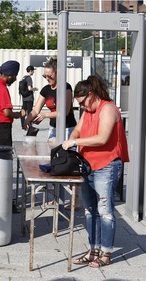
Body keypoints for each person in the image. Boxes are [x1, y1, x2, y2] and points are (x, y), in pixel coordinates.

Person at [62, 75, 129, 268]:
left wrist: (75, 142)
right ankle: (93, 249)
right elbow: (77, 130)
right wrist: (73, 138)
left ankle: (106, 252)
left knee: (105, 210)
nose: (82, 106)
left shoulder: (107, 108)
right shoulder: (88, 111)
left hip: (106, 166)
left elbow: (102, 138)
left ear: (91, 95)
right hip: (88, 165)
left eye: (82, 102)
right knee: (90, 210)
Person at [23, 56, 77, 141]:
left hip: (67, 128)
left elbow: (64, 112)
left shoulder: (65, 87)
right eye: (45, 76)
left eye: (50, 76)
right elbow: (36, 110)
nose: (47, 78)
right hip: (53, 128)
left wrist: (45, 115)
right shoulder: (46, 89)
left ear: (57, 73)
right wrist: (27, 119)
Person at [0, 60, 25, 146]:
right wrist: (18, 114)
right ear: (10, 76)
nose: (15, 79)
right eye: (15, 76)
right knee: (2, 156)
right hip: (2, 129)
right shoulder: (2, 88)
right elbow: (7, 112)